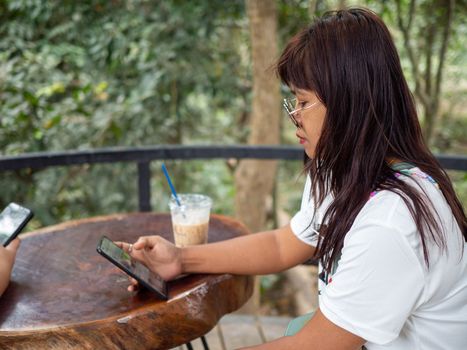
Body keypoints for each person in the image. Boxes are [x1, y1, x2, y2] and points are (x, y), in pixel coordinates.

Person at [118, 8, 467, 350]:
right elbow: (285, 244)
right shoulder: (342, 172)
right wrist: (180, 259)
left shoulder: (391, 221)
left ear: (350, 103)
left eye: (303, 101)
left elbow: (311, 345)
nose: (294, 117)